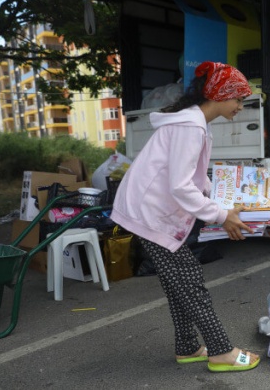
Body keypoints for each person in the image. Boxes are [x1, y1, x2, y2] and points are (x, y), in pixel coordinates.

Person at [110, 61, 260, 372]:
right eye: (238, 99)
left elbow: (190, 177)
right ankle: (220, 351)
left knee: (178, 283)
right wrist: (221, 215)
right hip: (150, 214)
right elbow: (180, 185)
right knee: (190, 281)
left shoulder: (195, 123)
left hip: (151, 210)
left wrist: (219, 203)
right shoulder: (190, 126)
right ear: (220, 94)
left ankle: (188, 346)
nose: (240, 107)